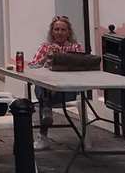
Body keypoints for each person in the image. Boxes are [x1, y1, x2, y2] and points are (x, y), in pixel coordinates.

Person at [28, 15, 85, 149]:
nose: (59, 32)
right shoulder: (45, 47)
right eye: (56, 29)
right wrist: (45, 58)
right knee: (42, 86)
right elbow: (32, 67)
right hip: (47, 88)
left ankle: (43, 136)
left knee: (44, 98)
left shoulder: (76, 47)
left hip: (67, 89)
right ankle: (46, 110)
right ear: (52, 32)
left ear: (68, 32)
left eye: (63, 30)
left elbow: (81, 67)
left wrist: (65, 57)